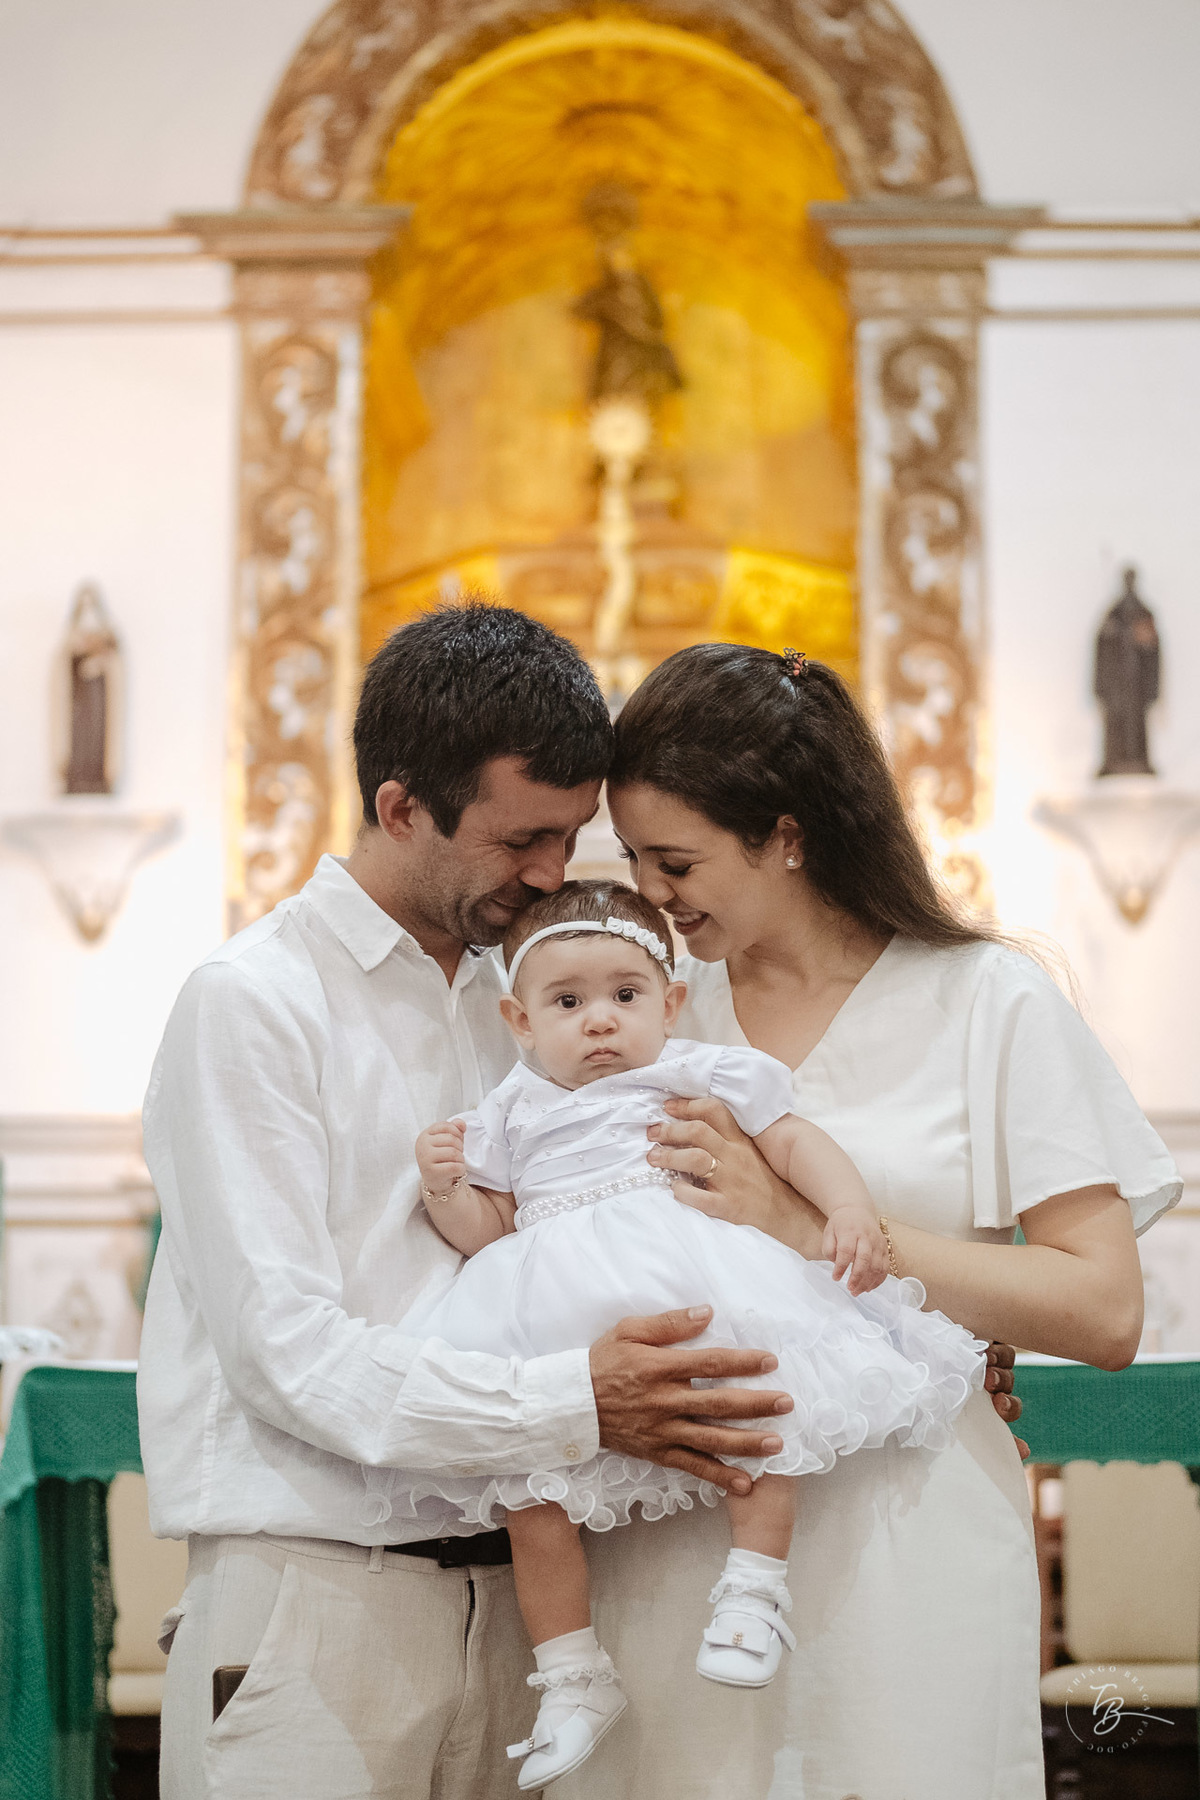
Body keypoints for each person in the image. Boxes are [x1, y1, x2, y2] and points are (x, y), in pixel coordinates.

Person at [137, 605, 801, 1800]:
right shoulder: (255, 1002)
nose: (555, 874)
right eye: (523, 839)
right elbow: (283, 1351)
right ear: (402, 809)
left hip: (527, 1611)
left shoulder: (551, 1007)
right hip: (322, 1604)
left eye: (569, 836)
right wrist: (574, 1401)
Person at [551, 642, 1181, 1800]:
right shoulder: (630, 1012)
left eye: (677, 860)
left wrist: (820, 1230)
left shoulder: (985, 1001)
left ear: (786, 835)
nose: (651, 893)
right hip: (667, 1547)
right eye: (634, 858)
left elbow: (1102, 1307)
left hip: (912, 1540)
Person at [370, 879, 986, 1790]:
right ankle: (571, 1673)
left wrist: (850, 1206)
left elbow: (791, 1141)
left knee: (765, 1410)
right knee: (529, 1499)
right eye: (568, 1002)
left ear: (671, 1002)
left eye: (625, 996)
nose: (601, 1023)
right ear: (519, 1018)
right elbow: (492, 1231)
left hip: (695, 1272)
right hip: (549, 1316)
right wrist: (445, 1190)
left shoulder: (699, 1071)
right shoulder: (507, 1109)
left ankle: (753, 1588)